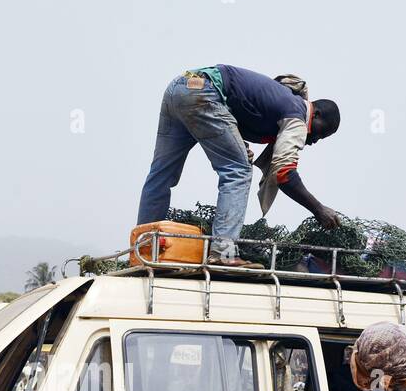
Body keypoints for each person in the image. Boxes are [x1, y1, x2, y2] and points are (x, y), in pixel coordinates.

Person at [137, 65, 341, 267]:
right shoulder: (297, 114)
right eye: (322, 133)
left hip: (180, 87)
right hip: (206, 94)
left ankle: (142, 247)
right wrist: (318, 209)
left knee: (161, 174)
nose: (315, 140)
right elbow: (284, 173)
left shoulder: (279, 100)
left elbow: (233, 110)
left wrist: (240, 146)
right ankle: (223, 253)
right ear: (317, 114)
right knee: (239, 171)